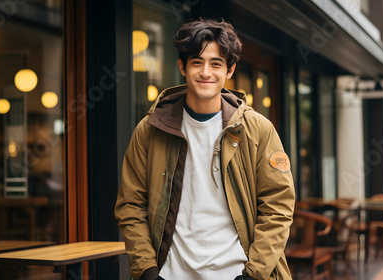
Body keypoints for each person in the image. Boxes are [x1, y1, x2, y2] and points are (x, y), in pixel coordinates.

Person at [114, 18, 295, 280]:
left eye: (216, 63)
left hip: (238, 272)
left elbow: (278, 207)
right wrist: (147, 271)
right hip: (170, 273)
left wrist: (253, 274)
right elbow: (131, 205)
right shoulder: (150, 129)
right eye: (197, 62)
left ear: (230, 70)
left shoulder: (257, 129)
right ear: (182, 67)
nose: (206, 72)